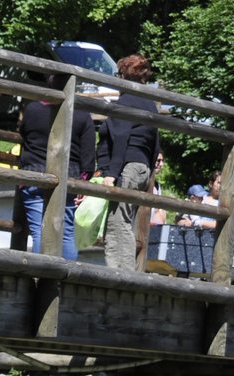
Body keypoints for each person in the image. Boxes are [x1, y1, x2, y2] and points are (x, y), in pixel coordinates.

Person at [15, 76, 97, 260]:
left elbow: (23, 134)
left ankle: (38, 278)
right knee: (67, 234)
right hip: (69, 179)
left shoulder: (32, 109)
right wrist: (83, 183)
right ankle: (63, 281)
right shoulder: (82, 115)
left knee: (38, 232)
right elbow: (88, 155)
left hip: (33, 174)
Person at [97, 53, 161, 270]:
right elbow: (155, 138)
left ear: (123, 75)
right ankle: (126, 271)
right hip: (142, 168)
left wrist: (111, 174)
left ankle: (120, 273)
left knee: (118, 223)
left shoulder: (125, 101)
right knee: (128, 219)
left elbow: (122, 137)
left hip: (127, 167)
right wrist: (151, 166)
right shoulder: (151, 104)